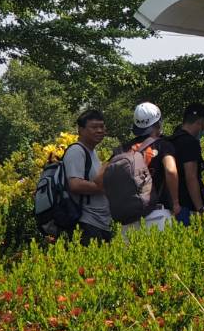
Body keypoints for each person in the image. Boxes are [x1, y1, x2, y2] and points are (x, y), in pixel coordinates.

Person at [125, 101, 179, 233]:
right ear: (158, 123)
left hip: (129, 217)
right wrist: (175, 202)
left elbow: (102, 176)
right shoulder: (163, 145)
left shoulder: (124, 148)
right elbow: (171, 170)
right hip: (157, 214)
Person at [63, 108, 113, 244]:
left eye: (102, 127)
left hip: (99, 224)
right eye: (94, 127)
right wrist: (103, 187)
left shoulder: (92, 152)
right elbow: (75, 184)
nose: (99, 131)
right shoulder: (76, 151)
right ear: (81, 130)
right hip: (86, 224)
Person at [171, 102, 204, 225]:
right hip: (187, 207)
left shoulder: (172, 139)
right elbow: (191, 177)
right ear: (200, 122)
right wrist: (200, 209)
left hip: (171, 205)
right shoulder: (190, 143)